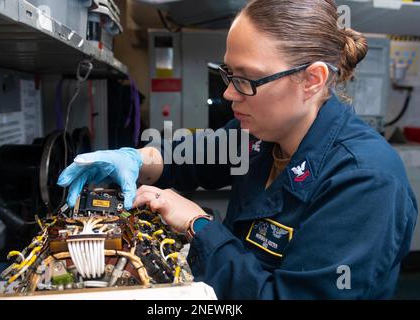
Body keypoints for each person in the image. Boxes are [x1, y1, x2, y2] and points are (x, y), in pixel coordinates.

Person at [58, 0, 418, 299]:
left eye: (246, 79)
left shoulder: (366, 181)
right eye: (228, 75)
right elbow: (190, 156)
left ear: (311, 80)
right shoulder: (262, 134)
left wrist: (197, 224)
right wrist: (135, 159)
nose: (229, 93)